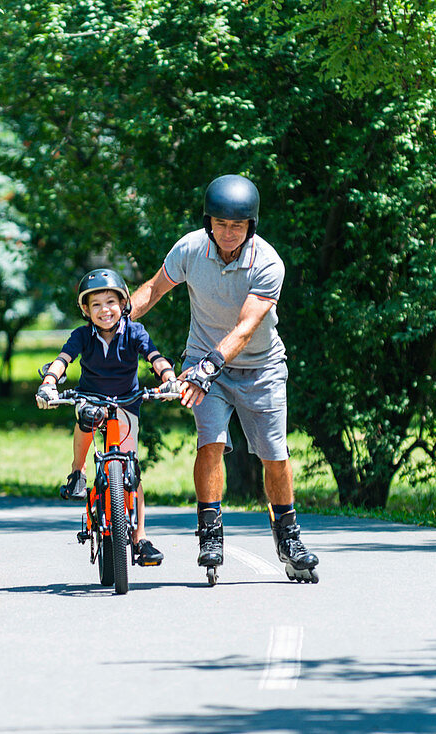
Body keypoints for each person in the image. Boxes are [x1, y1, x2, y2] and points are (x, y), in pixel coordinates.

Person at [127, 174, 319, 582]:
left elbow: (247, 327)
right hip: (203, 360)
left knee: (275, 454)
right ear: (208, 222)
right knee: (210, 443)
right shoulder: (191, 248)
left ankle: (288, 536)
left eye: (238, 226)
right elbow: (154, 290)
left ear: (251, 226)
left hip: (260, 366)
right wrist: (113, 320)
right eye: (221, 224)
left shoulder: (267, 262)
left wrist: (206, 369)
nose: (229, 233)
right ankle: (210, 533)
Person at [36, 267, 178, 567]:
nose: (105, 310)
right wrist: (49, 381)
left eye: (111, 302)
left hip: (127, 401)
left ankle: (139, 538)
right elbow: (64, 359)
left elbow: (154, 356)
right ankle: (77, 470)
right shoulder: (81, 336)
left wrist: (168, 378)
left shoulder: (135, 332)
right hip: (91, 399)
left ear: (124, 303)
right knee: (85, 417)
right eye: (96, 304)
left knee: (131, 468)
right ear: (86, 310)